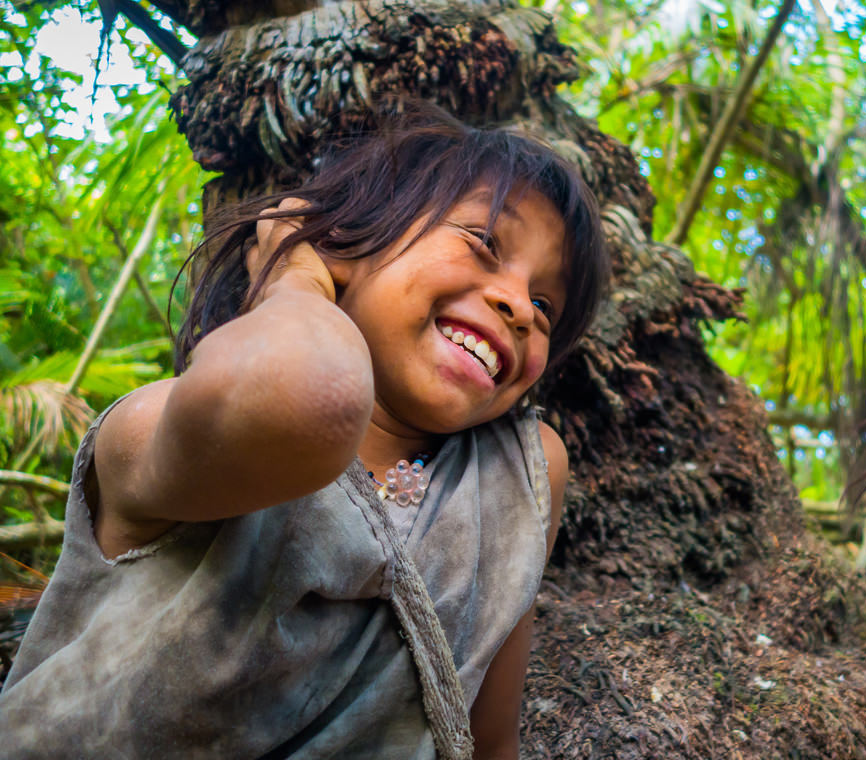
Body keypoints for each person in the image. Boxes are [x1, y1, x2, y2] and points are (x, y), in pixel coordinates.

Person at [0, 100, 607, 759]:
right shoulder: (159, 428)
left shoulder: (519, 478)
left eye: (546, 304)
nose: (519, 306)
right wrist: (291, 275)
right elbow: (306, 400)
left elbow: (488, 740)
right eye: (485, 243)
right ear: (347, 243)